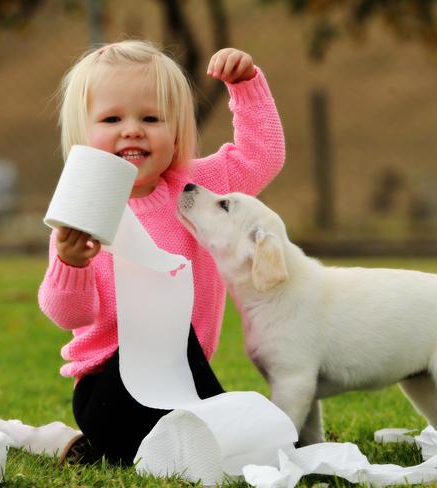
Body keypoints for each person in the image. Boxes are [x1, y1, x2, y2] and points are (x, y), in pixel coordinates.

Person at [38, 39, 285, 466]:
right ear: (83, 132)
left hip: (185, 377)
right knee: (158, 366)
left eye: (150, 118)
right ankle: (103, 443)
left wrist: (246, 87)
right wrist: (70, 263)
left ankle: (127, 446)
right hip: (108, 387)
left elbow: (261, 157)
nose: (132, 129)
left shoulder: (195, 191)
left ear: (176, 131)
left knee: (228, 434)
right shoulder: (84, 212)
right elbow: (68, 315)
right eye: (112, 118)